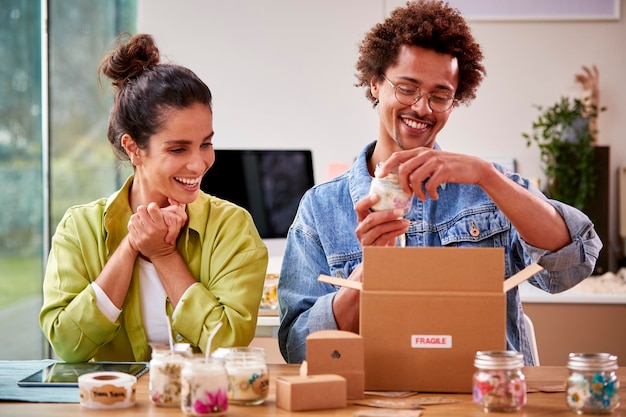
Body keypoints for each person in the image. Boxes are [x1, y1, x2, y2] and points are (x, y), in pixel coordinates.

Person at [277, 0, 602, 365]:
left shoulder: (489, 188)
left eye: (440, 96)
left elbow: (573, 264)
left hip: (488, 399)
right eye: (407, 88)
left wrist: (486, 175)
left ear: (455, 99)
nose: (422, 108)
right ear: (374, 83)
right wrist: (372, 274)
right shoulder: (322, 209)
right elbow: (298, 348)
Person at [40, 33, 268, 363]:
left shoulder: (231, 227)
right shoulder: (79, 228)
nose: (199, 163)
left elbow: (228, 343)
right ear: (134, 148)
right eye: (178, 148)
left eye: (205, 143)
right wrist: (132, 245)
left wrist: (163, 255)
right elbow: (67, 344)